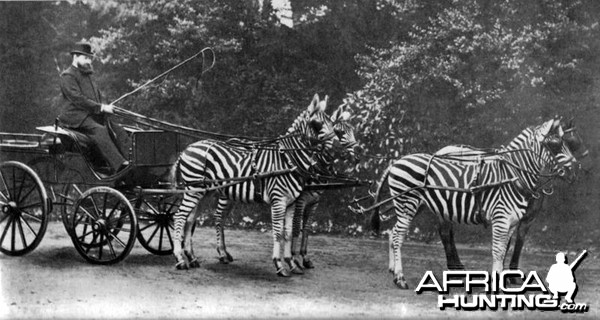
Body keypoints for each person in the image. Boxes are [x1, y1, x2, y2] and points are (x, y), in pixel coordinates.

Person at [57, 42, 130, 174]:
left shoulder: (88, 75)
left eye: (90, 58)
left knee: (119, 130)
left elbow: (95, 97)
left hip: (91, 115)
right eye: (86, 58)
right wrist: (101, 108)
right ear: (75, 57)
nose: (89, 61)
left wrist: (106, 107)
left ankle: (131, 161)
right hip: (75, 117)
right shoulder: (67, 76)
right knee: (100, 131)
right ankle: (120, 166)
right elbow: (78, 99)